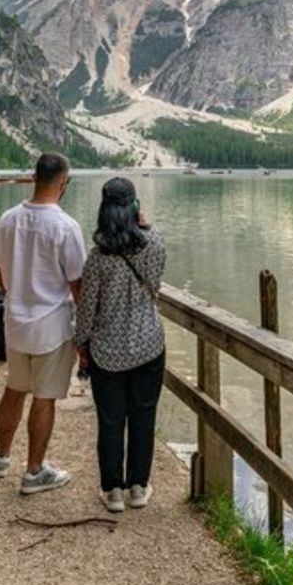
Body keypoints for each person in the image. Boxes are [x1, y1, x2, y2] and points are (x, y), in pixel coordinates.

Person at [0, 153, 85, 495]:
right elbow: (77, 284)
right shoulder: (66, 226)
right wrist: (85, 330)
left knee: (14, 389)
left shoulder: (8, 219)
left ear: (34, 177)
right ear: (63, 182)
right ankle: (34, 471)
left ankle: (2, 456)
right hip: (52, 326)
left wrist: (14, 297)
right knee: (44, 398)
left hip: (16, 323)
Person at [74, 178, 167, 512]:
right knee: (144, 416)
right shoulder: (155, 245)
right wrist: (145, 225)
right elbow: (155, 280)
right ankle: (138, 487)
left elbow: (87, 310)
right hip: (148, 345)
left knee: (111, 421)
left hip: (107, 351)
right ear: (135, 207)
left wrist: (81, 344)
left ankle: (113, 490)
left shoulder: (98, 259)